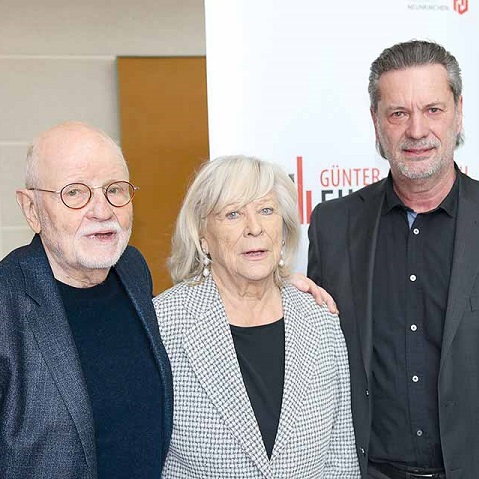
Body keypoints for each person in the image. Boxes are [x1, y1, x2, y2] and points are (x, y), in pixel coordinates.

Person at [308, 40, 475, 479]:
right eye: (398, 113)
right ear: (376, 122)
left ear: (459, 112)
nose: (416, 130)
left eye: (433, 110)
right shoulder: (332, 225)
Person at [153, 155, 360, 478]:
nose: (254, 228)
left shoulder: (321, 319)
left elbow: (341, 458)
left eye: (266, 210)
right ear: (203, 236)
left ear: (284, 226)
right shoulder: (164, 325)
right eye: (233, 214)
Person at [0, 121, 173, 478]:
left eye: (115, 190)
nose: (102, 210)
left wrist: (271, 283)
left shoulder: (132, 269)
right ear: (31, 209)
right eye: (75, 193)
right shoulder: (7, 303)